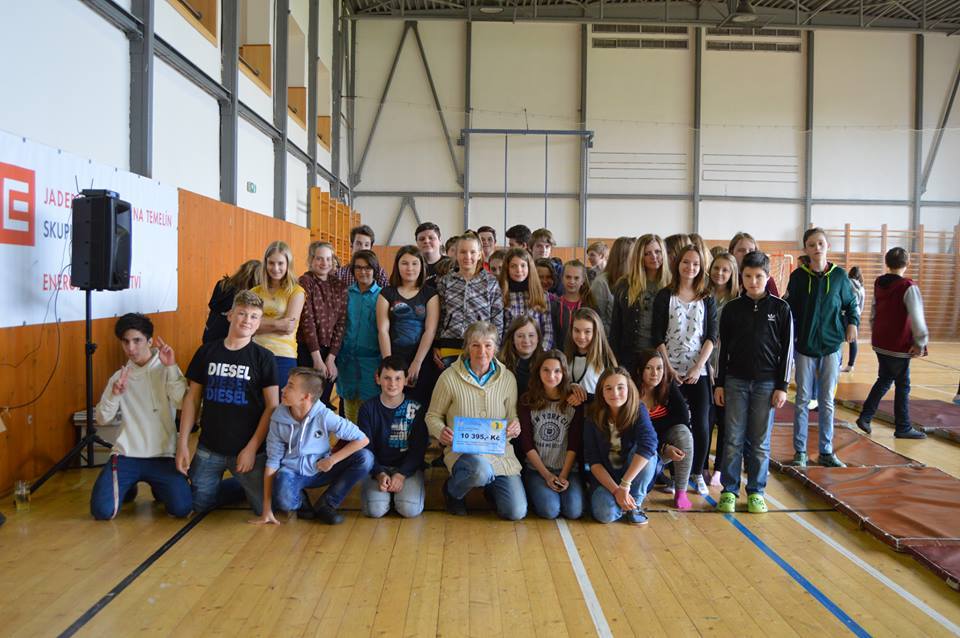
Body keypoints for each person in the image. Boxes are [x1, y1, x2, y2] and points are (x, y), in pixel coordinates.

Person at [177, 290, 279, 515]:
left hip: (248, 450)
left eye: (254, 316)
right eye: (242, 313)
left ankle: (244, 485)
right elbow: (192, 398)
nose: (247, 320)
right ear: (230, 315)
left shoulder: (264, 358)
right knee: (199, 506)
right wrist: (183, 443)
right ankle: (236, 486)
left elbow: (272, 406)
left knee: (265, 507)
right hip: (209, 448)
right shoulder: (207, 351)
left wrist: (252, 448)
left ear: (259, 322)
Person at [714, 251, 793, 514]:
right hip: (735, 382)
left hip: (767, 384)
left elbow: (787, 351)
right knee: (733, 439)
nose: (753, 281)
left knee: (760, 442)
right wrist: (719, 383)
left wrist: (782, 386)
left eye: (759, 276)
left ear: (767, 276)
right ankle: (729, 490)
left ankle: (756, 491)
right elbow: (722, 350)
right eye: (748, 276)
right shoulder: (732, 309)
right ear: (741, 277)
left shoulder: (781, 309)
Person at [90, 313, 191, 520]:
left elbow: (182, 403)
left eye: (137, 341)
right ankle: (128, 486)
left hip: (163, 455)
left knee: (181, 509)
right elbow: (102, 419)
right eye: (125, 342)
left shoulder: (166, 368)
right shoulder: (119, 377)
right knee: (102, 511)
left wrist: (172, 367)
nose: (131, 348)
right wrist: (114, 394)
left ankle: (157, 486)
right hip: (126, 455)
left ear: (149, 341)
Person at [426, 321, 527, 520]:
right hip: (463, 454)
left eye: (488, 345)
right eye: (475, 345)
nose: (482, 351)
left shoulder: (508, 379)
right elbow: (432, 416)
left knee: (515, 512)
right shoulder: (449, 377)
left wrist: (515, 426)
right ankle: (452, 492)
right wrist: (441, 431)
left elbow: (512, 416)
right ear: (467, 348)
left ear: (495, 348)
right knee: (480, 471)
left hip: (499, 455)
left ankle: (491, 488)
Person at [252, 367, 372, 525]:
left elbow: (362, 439)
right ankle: (301, 502)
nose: (283, 389)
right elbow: (273, 462)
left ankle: (327, 503)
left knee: (365, 458)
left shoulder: (324, 415)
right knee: (284, 501)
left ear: (306, 396)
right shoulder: (278, 418)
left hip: (321, 468)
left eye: (290, 386)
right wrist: (266, 509)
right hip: (292, 472)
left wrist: (332, 460)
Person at [786, 227, 859, 468]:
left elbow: (851, 304)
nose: (817, 248)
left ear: (827, 246)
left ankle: (826, 451)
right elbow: (789, 309)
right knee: (802, 400)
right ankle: (800, 451)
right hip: (804, 347)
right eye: (811, 244)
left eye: (820, 243)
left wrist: (852, 324)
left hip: (831, 346)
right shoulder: (798, 277)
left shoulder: (839, 277)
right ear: (805, 249)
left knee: (827, 401)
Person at [652, 244, 717, 495]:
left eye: (696, 264)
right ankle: (674, 475)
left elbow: (711, 336)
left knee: (701, 423)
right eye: (686, 262)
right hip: (669, 370)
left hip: (697, 371)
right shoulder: (664, 295)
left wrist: (699, 367)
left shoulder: (706, 297)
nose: (690, 267)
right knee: (675, 423)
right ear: (677, 264)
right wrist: (668, 368)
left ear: (701, 268)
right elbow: (657, 336)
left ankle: (697, 472)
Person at [855, 247, 929, 439]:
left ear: (886, 263)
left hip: (881, 341)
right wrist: (920, 342)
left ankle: (866, 416)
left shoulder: (879, 283)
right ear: (908, 263)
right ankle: (903, 426)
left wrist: (876, 332)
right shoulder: (908, 286)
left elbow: (874, 311)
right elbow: (917, 317)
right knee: (903, 384)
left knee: (885, 379)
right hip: (898, 344)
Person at [584, 367, 658, 525]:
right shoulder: (592, 416)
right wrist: (617, 491)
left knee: (649, 453)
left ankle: (634, 505)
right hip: (607, 478)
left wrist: (625, 485)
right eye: (608, 388)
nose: (615, 393)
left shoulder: (638, 409)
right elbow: (594, 462)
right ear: (601, 392)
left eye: (620, 387)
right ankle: (622, 502)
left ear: (629, 389)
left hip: (632, 476)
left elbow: (649, 443)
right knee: (604, 514)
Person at [357, 356, 429, 518]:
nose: (392, 384)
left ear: (406, 380)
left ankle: (399, 496)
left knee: (409, 509)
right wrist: (379, 473)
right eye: (387, 378)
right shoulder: (367, 409)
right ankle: (385, 498)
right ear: (378, 378)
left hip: (407, 469)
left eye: (398, 378)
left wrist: (402, 474)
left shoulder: (416, 408)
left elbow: (419, 448)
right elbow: (365, 447)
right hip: (377, 468)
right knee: (375, 510)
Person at [517, 351, 585, 520]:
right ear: (538, 372)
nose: (551, 376)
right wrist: (547, 476)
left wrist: (563, 476)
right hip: (537, 470)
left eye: (557, 371)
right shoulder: (527, 401)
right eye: (546, 370)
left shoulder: (573, 402)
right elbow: (527, 444)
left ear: (564, 373)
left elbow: (574, 443)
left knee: (574, 511)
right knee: (550, 510)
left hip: (568, 469)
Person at [376, 246, 439, 404]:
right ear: (397, 266)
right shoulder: (387, 293)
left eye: (414, 263)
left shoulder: (430, 294)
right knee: (392, 402)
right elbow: (383, 330)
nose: (409, 268)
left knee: (418, 405)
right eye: (404, 263)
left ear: (422, 266)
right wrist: (389, 364)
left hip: (421, 358)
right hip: (393, 356)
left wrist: (417, 363)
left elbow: (430, 330)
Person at [634, 349, 694, 511]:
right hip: (638, 447)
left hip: (660, 444)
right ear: (639, 370)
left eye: (659, 368)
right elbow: (634, 431)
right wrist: (663, 447)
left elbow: (683, 417)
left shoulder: (667, 385)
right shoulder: (631, 390)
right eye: (649, 368)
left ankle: (681, 491)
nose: (655, 373)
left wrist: (663, 445)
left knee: (683, 433)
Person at [434, 232, 504, 368]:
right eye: (463, 252)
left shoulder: (490, 282)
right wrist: (436, 344)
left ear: (479, 255)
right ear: (456, 254)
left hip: (481, 346)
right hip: (450, 345)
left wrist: (495, 346)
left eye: (472, 252)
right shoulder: (445, 281)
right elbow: (439, 316)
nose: (467, 256)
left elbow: (497, 318)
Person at [611, 233, 670, 374]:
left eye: (657, 252)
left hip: (662, 356)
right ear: (639, 257)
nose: (654, 257)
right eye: (647, 253)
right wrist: (614, 359)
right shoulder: (625, 284)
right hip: (630, 354)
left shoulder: (672, 284)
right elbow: (616, 325)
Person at [297, 241, 346, 409]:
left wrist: (331, 358)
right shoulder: (305, 281)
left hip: (330, 351)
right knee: (306, 401)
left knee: (323, 403)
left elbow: (341, 323)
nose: (324, 263)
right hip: (308, 349)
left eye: (328, 259)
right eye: (319, 258)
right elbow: (307, 320)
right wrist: (317, 359)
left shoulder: (339, 286)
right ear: (311, 260)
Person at [706, 251, 740, 486]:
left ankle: (719, 467)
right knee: (706, 419)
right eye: (716, 268)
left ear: (732, 273)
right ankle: (701, 466)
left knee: (726, 421)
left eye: (725, 270)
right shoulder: (702, 294)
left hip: (727, 366)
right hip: (703, 363)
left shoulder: (736, 300)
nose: (719, 273)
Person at [337, 250, 383, 423]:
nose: (363, 272)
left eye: (368, 268)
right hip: (346, 361)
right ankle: (352, 439)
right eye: (358, 267)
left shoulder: (383, 296)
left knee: (370, 412)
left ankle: (368, 440)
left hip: (372, 362)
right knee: (349, 410)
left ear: (375, 269)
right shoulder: (345, 294)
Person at [252, 241, 305, 389]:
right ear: (265, 264)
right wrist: (277, 323)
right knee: (254, 400)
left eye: (280, 263)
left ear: (288, 264)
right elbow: (248, 326)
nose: (275, 268)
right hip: (255, 352)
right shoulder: (255, 292)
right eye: (271, 263)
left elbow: (288, 327)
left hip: (283, 355)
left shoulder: (296, 291)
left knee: (279, 401)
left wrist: (259, 322)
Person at [500, 247, 554, 350]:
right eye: (513, 266)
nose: (519, 270)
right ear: (507, 269)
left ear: (529, 267)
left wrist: (542, 352)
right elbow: (498, 329)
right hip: (508, 351)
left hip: (536, 351)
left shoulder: (541, 295)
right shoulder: (501, 294)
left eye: (523, 265)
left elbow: (548, 331)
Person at [202, 259, 260, 344]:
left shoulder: (223, 284)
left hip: (211, 330)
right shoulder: (247, 294)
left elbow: (212, 305)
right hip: (228, 334)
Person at [565, 307, 618, 399]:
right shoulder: (565, 356)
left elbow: (612, 394)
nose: (581, 336)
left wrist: (582, 398)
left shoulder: (605, 359)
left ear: (596, 332)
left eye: (587, 331)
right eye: (577, 330)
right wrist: (570, 387)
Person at [590, 236, 635, 334]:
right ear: (624, 257)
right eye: (634, 254)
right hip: (609, 338)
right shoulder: (601, 282)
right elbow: (598, 319)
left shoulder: (633, 280)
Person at [551, 259, 595, 350]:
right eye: (568, 277)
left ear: (583, 280)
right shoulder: (554, 306)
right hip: (560, 355)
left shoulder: (590, 306)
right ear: (562, 278)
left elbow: (595, 335)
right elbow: (552, 336)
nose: (571, 281)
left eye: (576, 278)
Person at [499, 315, 542, 394]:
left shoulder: (545, 363)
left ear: (538, 338)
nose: (526, 340)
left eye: (531, 335)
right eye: (520, 336)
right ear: (512, 339)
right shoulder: (500, 364)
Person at [729, 231, 779, 296]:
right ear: (732, 252)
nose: (746, 253)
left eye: (751, 250)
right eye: (741, 250)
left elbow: (775, 301)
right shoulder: (727, 277)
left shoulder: (766, 280)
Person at [840, 266, 866, 373]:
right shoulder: (861, 287)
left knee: (840, 340)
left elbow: (844, 299)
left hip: (845, 314)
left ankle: (839, 363)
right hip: (856, 315)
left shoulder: (847, 283)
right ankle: (851, 365)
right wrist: (858, 313)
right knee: (853, 340)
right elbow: (862, 304)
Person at [415, 221, 452, 288]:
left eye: (431, 238)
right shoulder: (413, 266)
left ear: (440, 241)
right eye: (422, 239)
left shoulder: (451, 264)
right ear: (417, 243)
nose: (426, 241)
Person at [531, 228, 564, 295]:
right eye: (539, 246)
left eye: (547, 246)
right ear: (530, 248)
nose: (543, 250)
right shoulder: (525, 269)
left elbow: (560, 295)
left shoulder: (559, 270)